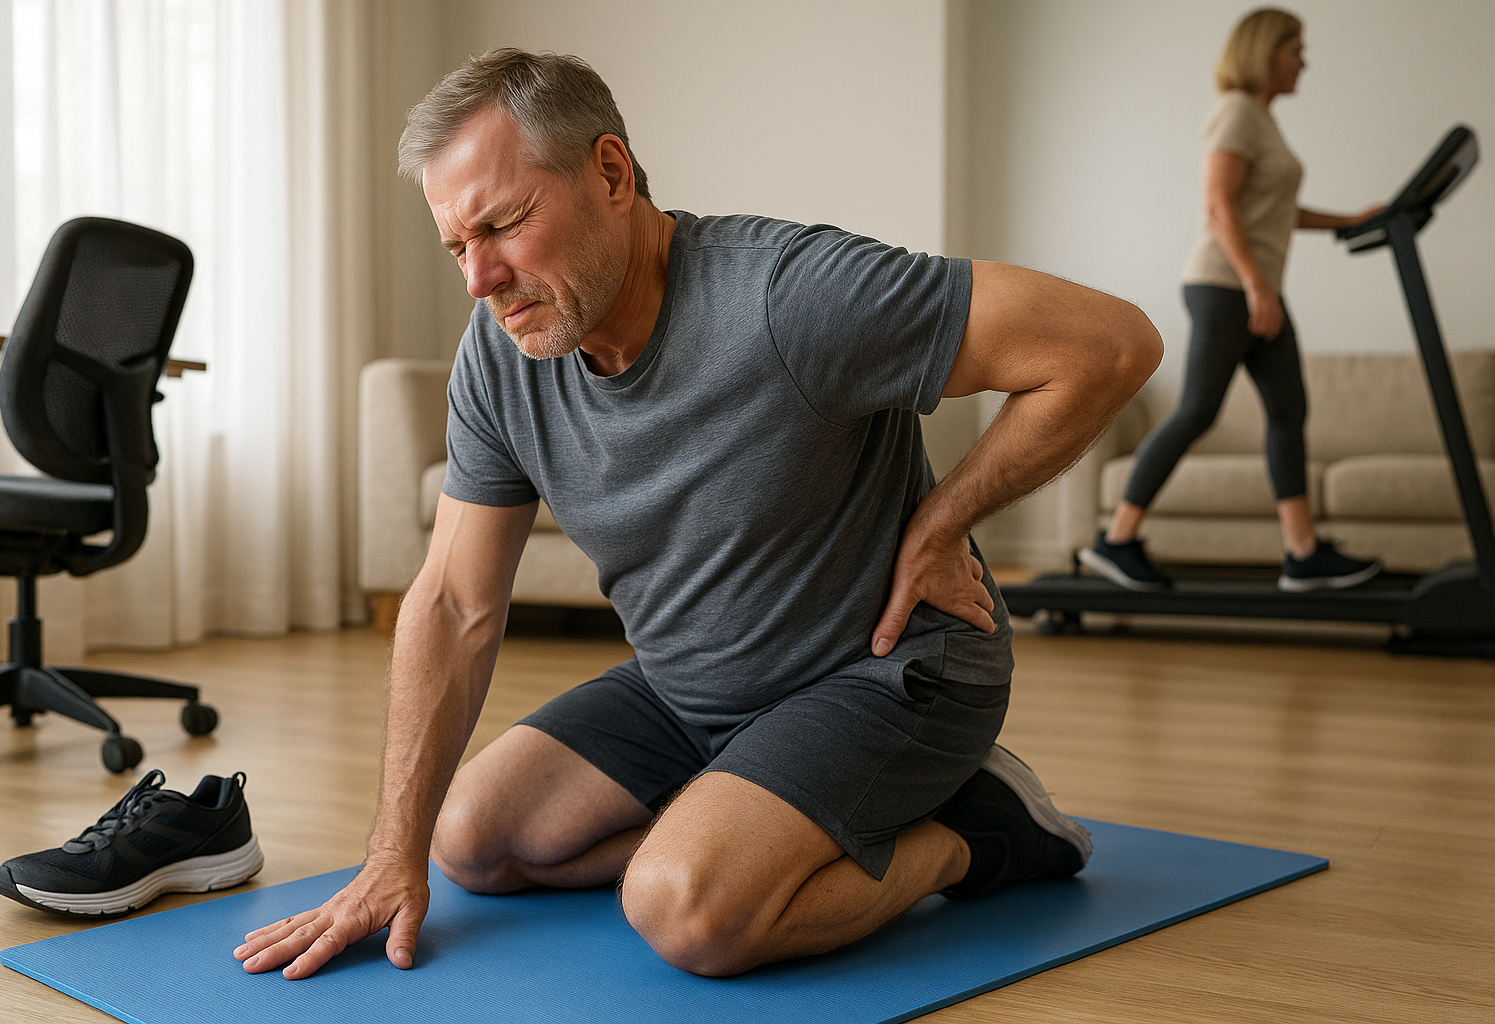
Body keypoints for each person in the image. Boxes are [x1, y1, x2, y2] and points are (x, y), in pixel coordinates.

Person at [232, 48, 1160, 980]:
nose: (480, 278)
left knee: (686, 914)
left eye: (505, 225)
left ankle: (973, 833)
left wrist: (945, 520)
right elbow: (451, 604)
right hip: (692, 688)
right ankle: (748, 817)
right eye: (456, 247)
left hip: (884, 670)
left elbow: (1109, 345)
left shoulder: (787, 296)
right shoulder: (499, 353)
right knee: (471, 841)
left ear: (610, 173)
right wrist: (389, 857)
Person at [1078, 7, 1383, 594]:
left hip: (1246, 286)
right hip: (1226, 287)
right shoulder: (1237, 113)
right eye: (1296, 49)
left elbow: (1267, 209)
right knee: (1197, 412)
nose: (1304, 61)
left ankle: (1302, 553)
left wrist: (1347, 219)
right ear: (1265, 52)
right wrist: (1257, 287)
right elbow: (1219, 206)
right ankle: (1115, 540)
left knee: (1288, 411)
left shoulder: (1262, 121)